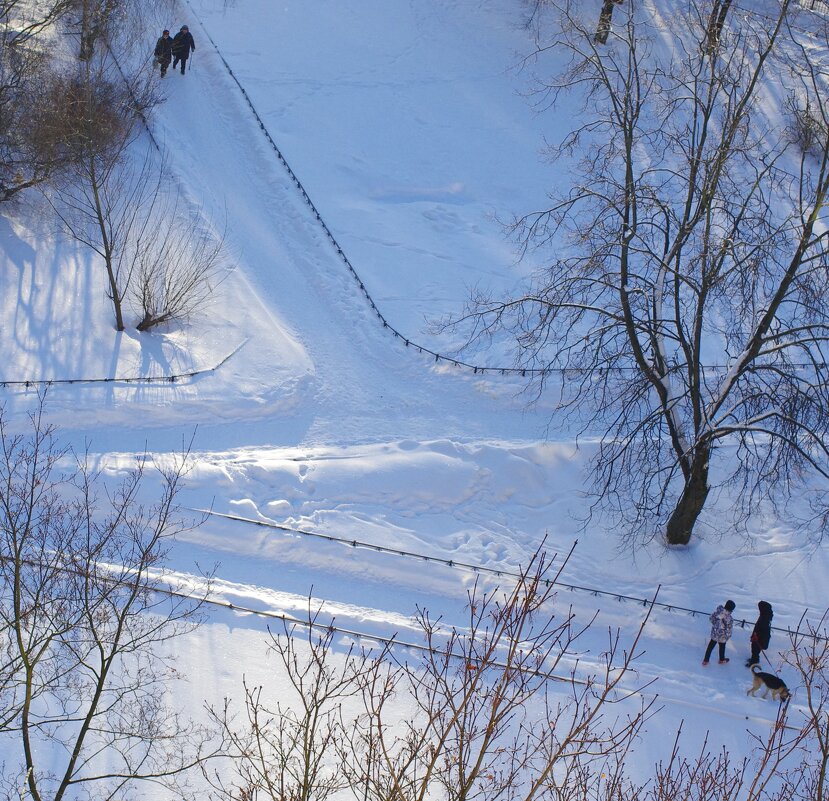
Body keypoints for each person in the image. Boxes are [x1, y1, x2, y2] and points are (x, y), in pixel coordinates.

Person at [702, 600, 735, 665]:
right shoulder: (729, 618)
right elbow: (729, 629)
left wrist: (716, 625)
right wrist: (728, 636)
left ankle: (705, 661)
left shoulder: (718, 612)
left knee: (710, 647)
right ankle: (721, 660)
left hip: (715, 633)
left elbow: (711, 618)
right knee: (722, 647)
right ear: (731, 610)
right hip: (723, 636)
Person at [746, 600, 773, 667]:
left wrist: (756, 635)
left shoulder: (765, 618)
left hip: (759, 638)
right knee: (755, 649)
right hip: (759, 637)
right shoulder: (765, 615)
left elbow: (763, 630)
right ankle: (755, 658)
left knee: (755, 649)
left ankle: (754, 662)